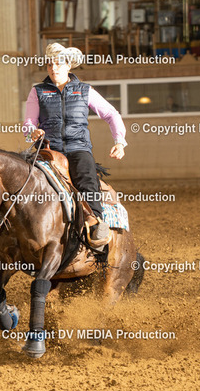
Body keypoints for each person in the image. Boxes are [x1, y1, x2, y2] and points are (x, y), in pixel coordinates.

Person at [24, 42, 127, 244]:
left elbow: (111, 114)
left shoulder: (85, 90)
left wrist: (120, 141)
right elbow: (28, 123)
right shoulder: (37, 92)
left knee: (88, 179)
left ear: (68, 65)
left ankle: (96, 224)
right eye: (50, 64)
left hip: (78, 148)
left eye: (58, 63)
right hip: (48, 150)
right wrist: (32, 132)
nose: (53, 68)